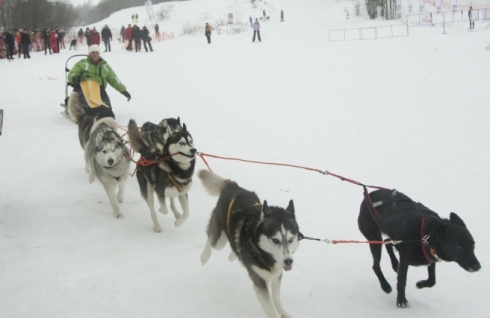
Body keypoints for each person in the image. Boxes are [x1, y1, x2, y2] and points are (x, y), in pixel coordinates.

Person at [68, 45, 131, 119]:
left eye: (96, 52)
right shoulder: (82, 64)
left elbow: (113, 79)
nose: (95, 54)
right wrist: (74, 78)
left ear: (99, 54)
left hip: (99, 90)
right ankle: (91, 115)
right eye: (93, 52)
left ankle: (105, 114)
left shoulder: (104, 66)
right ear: (89, 54)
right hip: (85, 89)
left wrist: (123, 91)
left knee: (108, 111)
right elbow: (72, 73)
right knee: (91, 108)